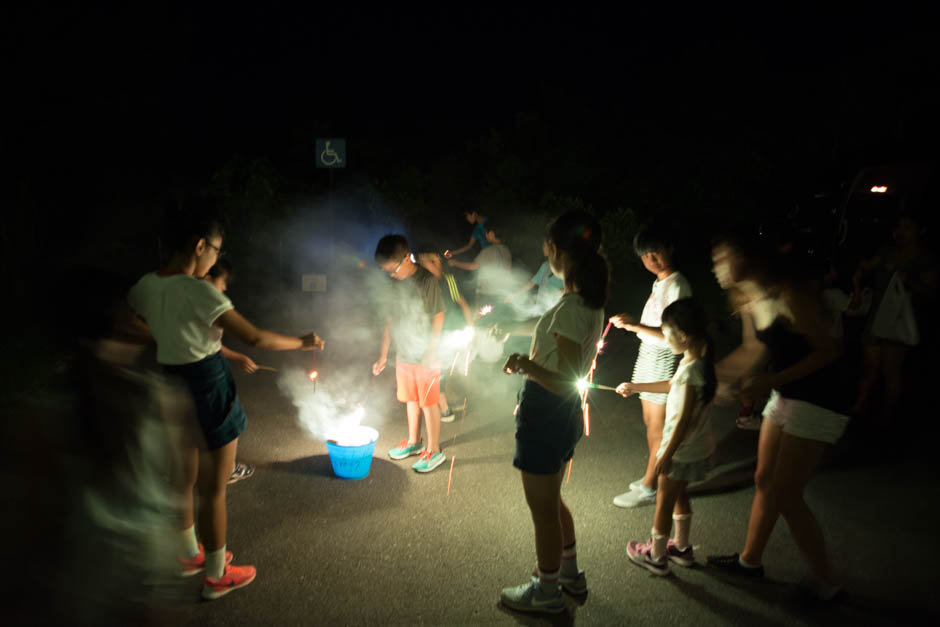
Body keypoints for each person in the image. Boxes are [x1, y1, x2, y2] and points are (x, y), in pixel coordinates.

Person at [128, 211, 323, 600]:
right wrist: (304, 342)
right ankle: (218, 575)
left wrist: (167, 339)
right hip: (207, 383)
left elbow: (133, 320)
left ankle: (189, 554)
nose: (216, 259)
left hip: (170, 379)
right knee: (213, 489)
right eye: (216, 250)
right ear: (200, 246)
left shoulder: (145, 285)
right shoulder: (201, 291)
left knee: (182, 477)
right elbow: (255, 338)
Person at [705, 228, 847, 601]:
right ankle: (750, 560)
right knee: (764, 479)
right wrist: (710, 380)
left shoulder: (790, 295)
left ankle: (825, 581)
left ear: (747, 260)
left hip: (819, 398)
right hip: (785, 395)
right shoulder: (751, 299)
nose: (715, 267)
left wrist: (772, 379)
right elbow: (752, 351)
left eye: (722, 258)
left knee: (785, 493)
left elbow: (828, 352)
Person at [499, 210, 608, 614]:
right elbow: (559, 340)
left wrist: (524, 365)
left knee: (542, 510)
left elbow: (563, 379)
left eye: (548, 247)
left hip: (547, 412)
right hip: (564, 417)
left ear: (559, 253)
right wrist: (515, 329)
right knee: (553, 499)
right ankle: (569, 573)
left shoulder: (570, 307)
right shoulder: (586, 302)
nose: (545, 252)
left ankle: (546, 593)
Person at [616, 298, 716, 575]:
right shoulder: (698, 359)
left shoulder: (691, 372)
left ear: (682, 334)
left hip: (680, 449)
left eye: (666, 331)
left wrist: (666, 454)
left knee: (663, 503)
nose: (664, 336)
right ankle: (681, 548)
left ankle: (656, 556)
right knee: (680, 494)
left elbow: (682, 421)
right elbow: (672, 386)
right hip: (695, 447)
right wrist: (636, 387)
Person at [609, 224, 692, 508]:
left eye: (655, 252)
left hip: (661, 356)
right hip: (647, 353)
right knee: (649, 423)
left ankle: (650, 486)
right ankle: (653, 477)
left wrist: (635, 325)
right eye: (645, 255)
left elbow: (675, 334)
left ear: (670, 248)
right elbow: (655, 324)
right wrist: (634, 325)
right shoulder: (661, 282)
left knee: (657, 427)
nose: (651, 259)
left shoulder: (678, 283)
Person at [851, 213, 937, 424]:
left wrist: (909, 282)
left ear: (919, 231)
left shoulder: (925, 258)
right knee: (870, 366)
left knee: (891, 370)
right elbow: (868, 266)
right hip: (876, 315)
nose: (901, 232)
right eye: (898, 227)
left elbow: (931, 292)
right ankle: (859, 406)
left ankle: (887, 413)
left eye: (907, 227)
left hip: (899, 319)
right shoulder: (887, 252)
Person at [373, 236, 447, 473]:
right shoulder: (394, 284)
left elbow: (438, 316)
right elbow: (389, 320)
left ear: (407, 258)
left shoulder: (426, 281)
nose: (391, 275)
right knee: (411, 399)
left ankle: (435, 451)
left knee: (429, 402)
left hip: (426, 353)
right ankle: (414, 442)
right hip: (404, 352)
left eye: (392, 269)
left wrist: (432, 351)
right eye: (386, 272)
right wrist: (383, 354)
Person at [204, 260, 257, 484]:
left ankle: (202, 469)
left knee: (199, 421)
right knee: (228, 420)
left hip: (184, 368)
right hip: (207, 371)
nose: (225, 288)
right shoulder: (209, 300)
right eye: (223, 281)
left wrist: (236, 357)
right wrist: (301, 343)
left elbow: (206, 341)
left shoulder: (178, 293)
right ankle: (227, 470)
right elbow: (256, 337)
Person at [418, 252, 474, 422]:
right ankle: (448, 401)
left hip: (448, 333)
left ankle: (444, 409)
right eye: (432, 262)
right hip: (436, 333)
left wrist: (472, 329)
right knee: (442, 369)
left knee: (438, 370)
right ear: (421, 265)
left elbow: (462, 303)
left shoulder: (448, 279)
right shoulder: (423, 283)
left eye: (439, 261)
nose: (438, 265)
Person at [448, 217, 512, 306]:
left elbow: (472, 266)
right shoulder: (506, 250)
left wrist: (455, 263)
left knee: (483, 317)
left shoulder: (488, 251)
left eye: (486, 232)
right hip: (500, 292)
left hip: (487, 292)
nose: (485, 235)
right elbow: (508, 271)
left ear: (492, 234)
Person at [505, 238, 565, 317]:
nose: (542, 247)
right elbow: (530, 284)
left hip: (558, 308)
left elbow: (571, 288)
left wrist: (556, 292)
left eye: (544, 245)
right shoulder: (545, 265)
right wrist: (514, 295)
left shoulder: (563, 266)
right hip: (543, 309)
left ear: (552, 247)